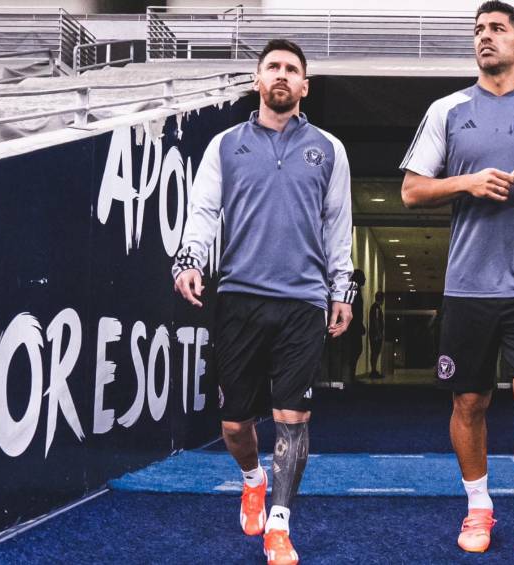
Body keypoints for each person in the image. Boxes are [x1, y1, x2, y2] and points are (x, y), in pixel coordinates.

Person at [400, 2, 514, 563]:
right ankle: (479, 506)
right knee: (470, 402)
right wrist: (468, 182)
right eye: (479, 30)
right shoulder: (448, 110)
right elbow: (410, 190)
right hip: (469, 286)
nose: (485, 37)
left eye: (497, 30)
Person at [172, 39, 355, 565]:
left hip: (303, 301)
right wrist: (189, 260)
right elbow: (204, 210)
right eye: (272, 67)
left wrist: (340, 289)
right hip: (238, 297)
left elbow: (336, 225)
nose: (281, 75)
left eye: (291, 69)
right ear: (258, 80)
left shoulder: (329, 149)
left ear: (304, 86)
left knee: (292, 418)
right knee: (235, 425)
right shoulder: (226, 144)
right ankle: (253, 480)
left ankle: (280, 523)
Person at [347, 269, 366, 379]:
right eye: (363, 277)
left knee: (356, 350)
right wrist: (358, 324)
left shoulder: (355, 290)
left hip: (354, 326)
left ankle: (351, 376)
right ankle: (350, 376)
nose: (365, 279)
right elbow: (356, 310)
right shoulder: (355, 291)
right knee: (355, 350)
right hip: (353, 327)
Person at [368, 291, 385, 378]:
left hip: (374, 333)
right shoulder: (376, 308)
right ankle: (373, 371)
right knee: (375, 352)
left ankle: (373, 370)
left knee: (374, 352)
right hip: (375, 334)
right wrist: (378, 333)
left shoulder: (375, 307)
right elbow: (376, 320)